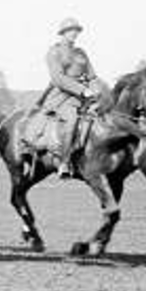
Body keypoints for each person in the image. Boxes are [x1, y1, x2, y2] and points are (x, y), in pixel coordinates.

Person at [43, 17, 101, 178]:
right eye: (71, 30)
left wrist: (97, 90)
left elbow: (92, 76)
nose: (75, 33)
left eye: (77, 30)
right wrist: (83, 90)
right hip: (62, 98)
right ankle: (64, 162)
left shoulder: (81, 53)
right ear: (63, 33)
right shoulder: (54, 52)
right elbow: (58, 79)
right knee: (72, 119)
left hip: (85, 96)